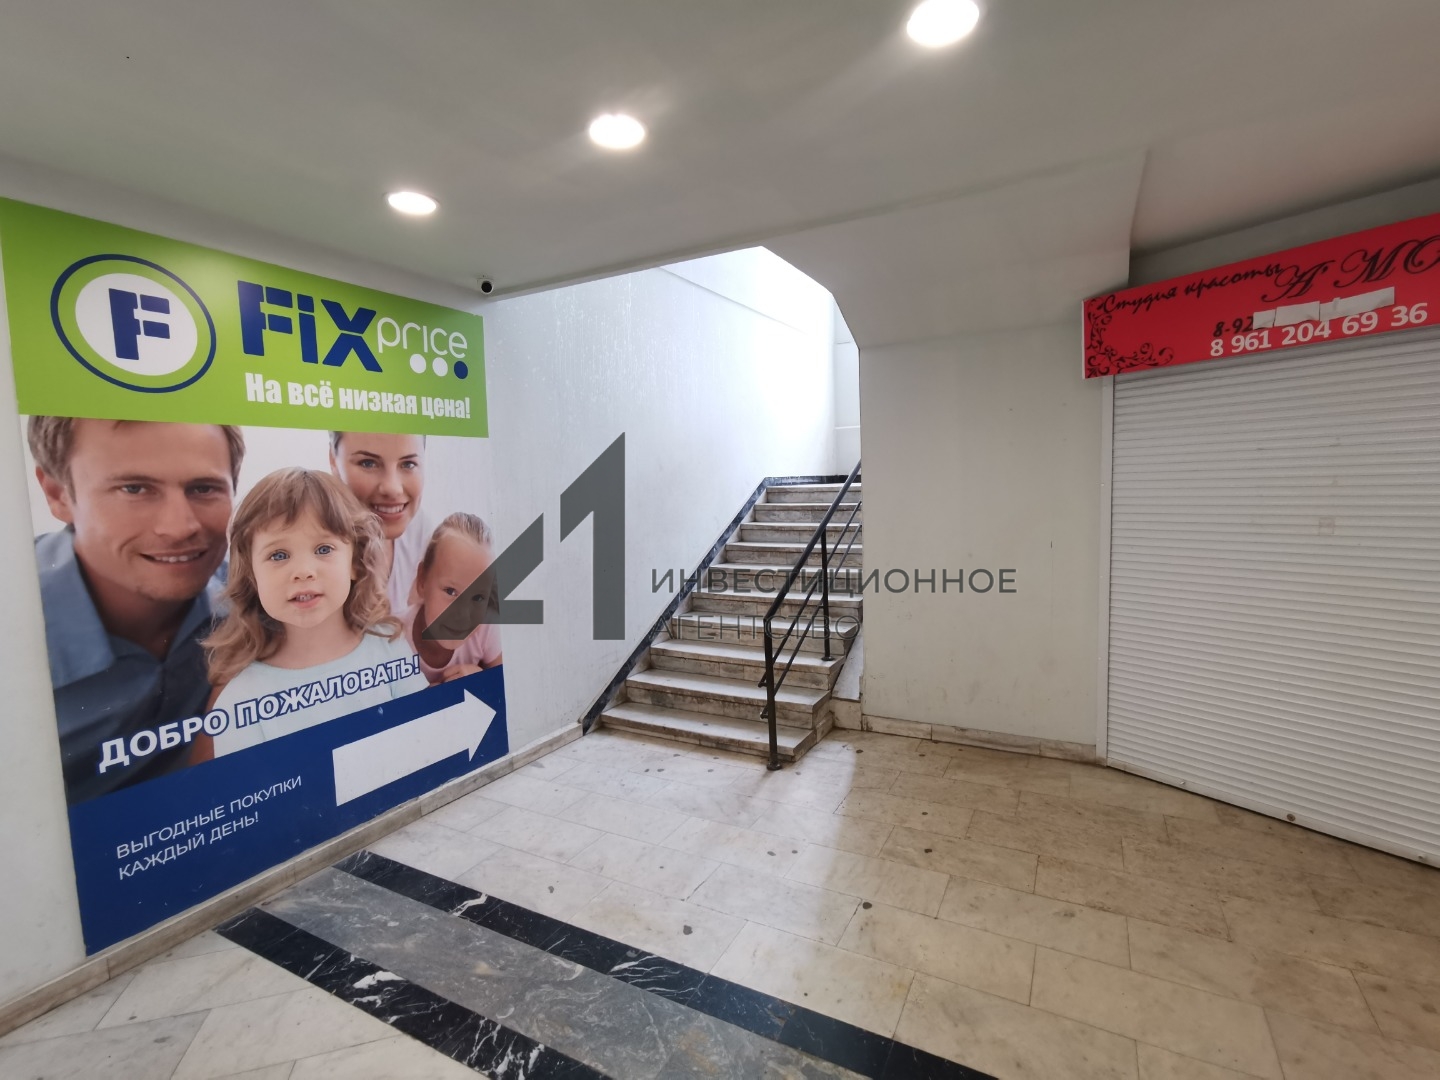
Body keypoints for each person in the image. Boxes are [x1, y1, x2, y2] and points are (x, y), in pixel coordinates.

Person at [28, 417, 244, 803]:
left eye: (203, 488)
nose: (179, 527)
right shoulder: (18, 626)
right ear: (58, 494)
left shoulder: (253, 602)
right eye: (134, 488)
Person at [203, 469, 427, 757]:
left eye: (323, 549)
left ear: (355, 562)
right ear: (251, 575)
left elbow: (425, 744)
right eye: (279, 555)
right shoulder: (239, 702)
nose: (303, 571)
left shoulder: (389, 645)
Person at [328, 431, 429, 615]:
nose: (392, 488)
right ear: (333, 460)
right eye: (368, 463)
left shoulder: (420, 531)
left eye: (408, 464)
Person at [403, 513, 503, 684]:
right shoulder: (395, 638)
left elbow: (510, 684)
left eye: (478, 598)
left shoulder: (486, 628)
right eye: (450, 591)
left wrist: (481, 680)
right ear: (422, 581)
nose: (462, 614)